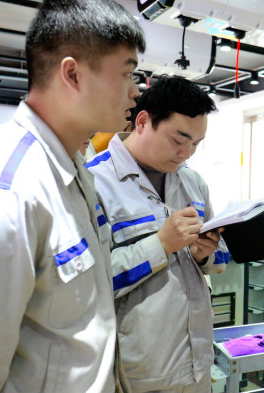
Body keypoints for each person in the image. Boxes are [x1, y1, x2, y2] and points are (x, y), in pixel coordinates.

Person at [0, 0, 146, 392]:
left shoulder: (71, 171)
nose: (135, 91)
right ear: (73, 74)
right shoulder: (3, 197)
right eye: (127, 73)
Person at [86, 75, 229, 393]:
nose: (187, 153)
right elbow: (88, 283)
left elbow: (221, 258)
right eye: (178, 140)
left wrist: (203, 254)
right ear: (142, 122)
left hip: (197, 362)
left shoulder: (193, 182)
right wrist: (161, 244)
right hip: (138, 373)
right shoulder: (94, 183)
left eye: (196, 143)